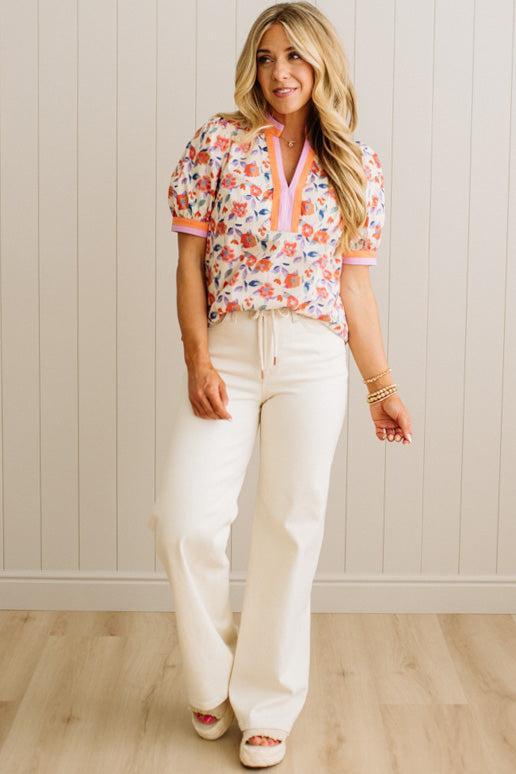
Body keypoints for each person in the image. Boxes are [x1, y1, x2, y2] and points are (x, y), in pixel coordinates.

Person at [148, 1, 413, 768]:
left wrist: (380, 386)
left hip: (313, 358)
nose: (279, 73)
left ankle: (266, 706)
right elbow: (190, 265)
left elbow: (355, 291)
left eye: (293, 57)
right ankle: (212, 679)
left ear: (321, 62)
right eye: (265, 58)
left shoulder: (357, 165)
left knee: (290, 528)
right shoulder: (217, 143)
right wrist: (197, 360)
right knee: (183, 521)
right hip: (227, 349)